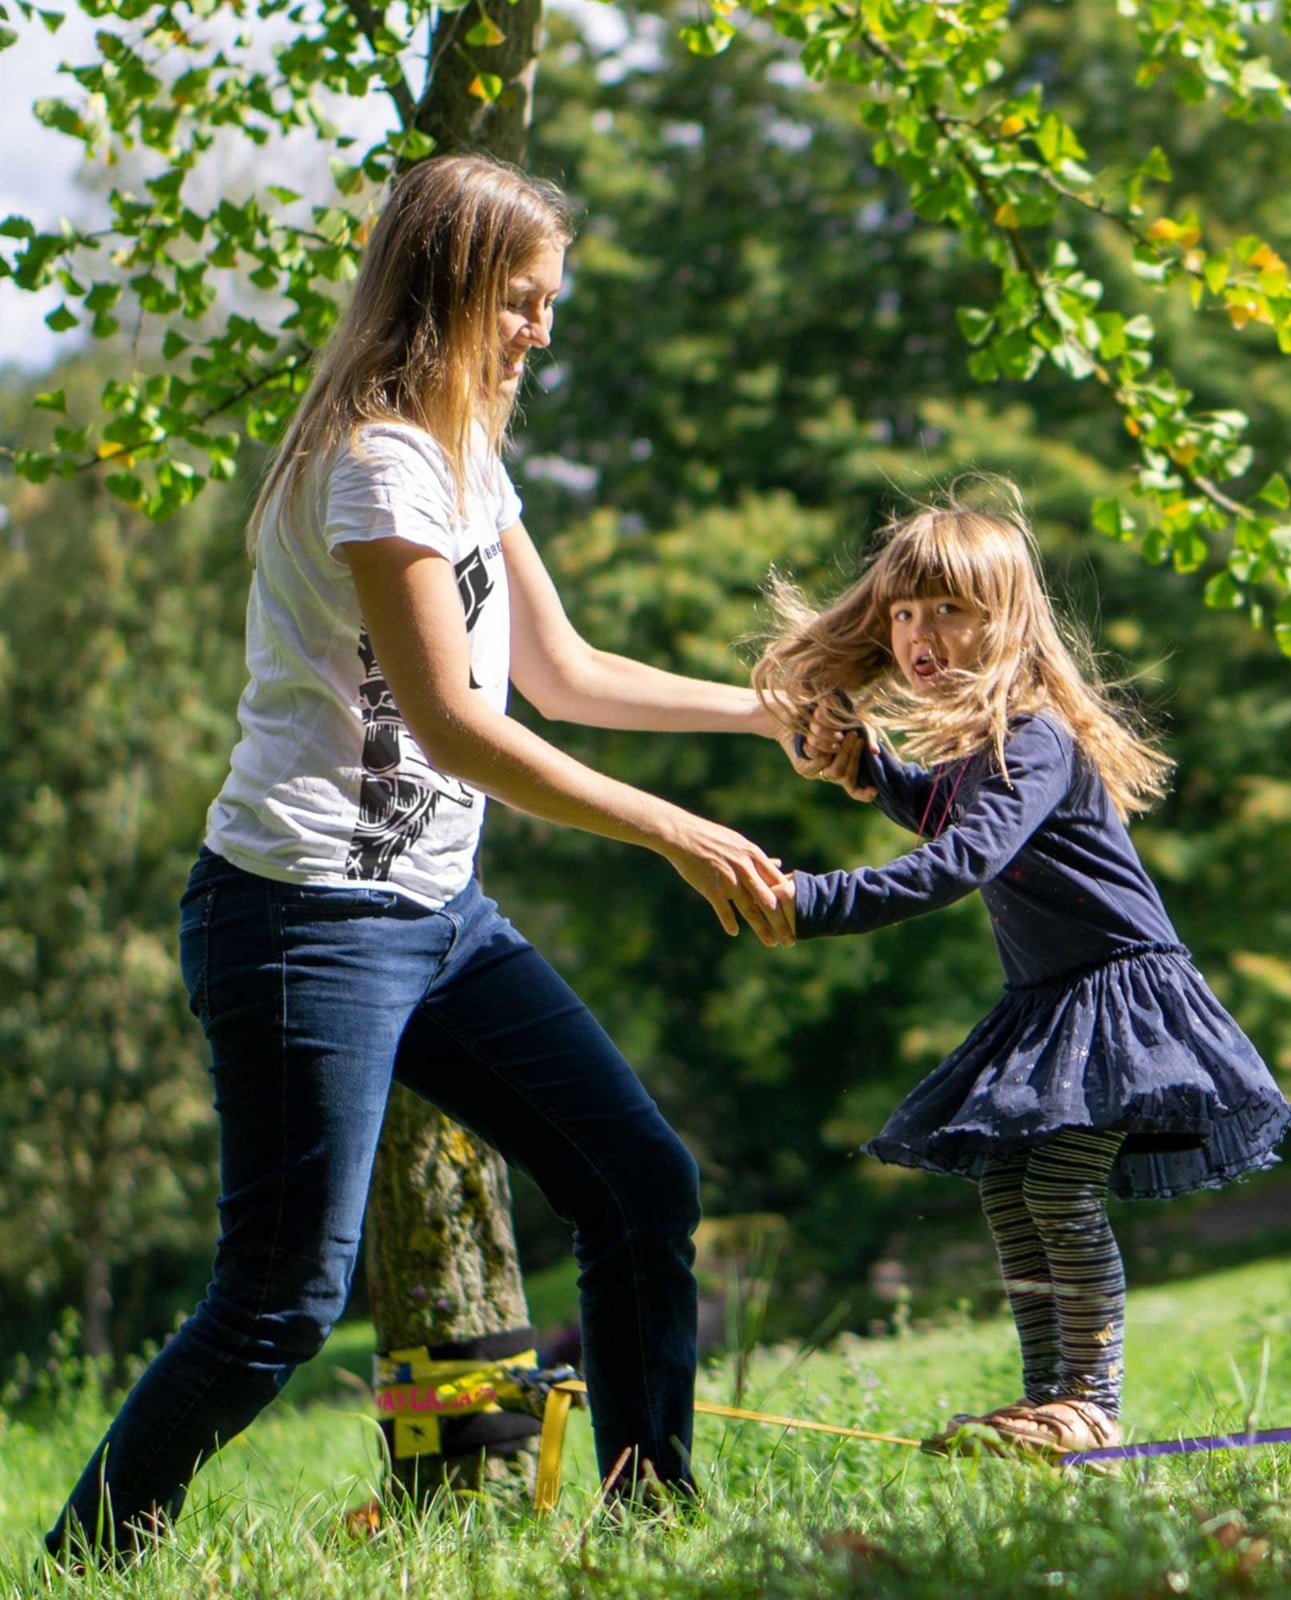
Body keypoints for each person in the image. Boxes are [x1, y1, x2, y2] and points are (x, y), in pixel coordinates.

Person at [47, 152, 804, 1559]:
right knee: (279, 1295)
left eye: (552, 301)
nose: (542, 328)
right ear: (450, 288)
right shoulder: (376, 461)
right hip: (300, 921)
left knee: (641, 1182)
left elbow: (560, 674)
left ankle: (652, 1520)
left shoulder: (465, 455)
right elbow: (461, 728)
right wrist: (675, 830)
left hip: (438, 920)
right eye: (522, 300)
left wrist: (764, 713)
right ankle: (90, 1553)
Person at [754, 484, 1291, 1456]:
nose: (919, 633)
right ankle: (1046, 1397)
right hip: (1054, 1000)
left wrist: (811, 900)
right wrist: (877, 774)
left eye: (947, 610)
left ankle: (1089, 1397)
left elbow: (962, 858)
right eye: (905, 612)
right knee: (1009, 1186)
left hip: (1121, 998)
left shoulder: (1031, 734)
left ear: (1002, 621)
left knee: (1053, 1189)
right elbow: (953, 820)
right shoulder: (982, 747)